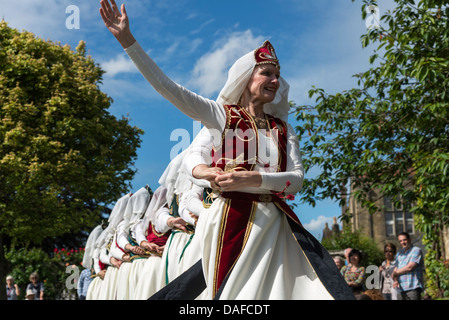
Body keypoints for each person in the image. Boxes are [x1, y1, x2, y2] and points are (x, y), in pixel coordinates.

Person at [99, 0, 354, 300]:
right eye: (267, 73)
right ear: (247, 79)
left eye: (277, 75)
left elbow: (295, 179)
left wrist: (253, 180)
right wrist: (128, 41)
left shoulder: (283, 129)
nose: (275, 80)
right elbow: (169, 89)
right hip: (230, 222)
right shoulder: (224, 116)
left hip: (276, 223)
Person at [393, 232, 424, 300]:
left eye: (404, 240)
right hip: (400, 289)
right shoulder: (399, 254)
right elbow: (395, 269)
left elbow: (410, 267)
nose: (402, 242)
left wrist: (396, 273)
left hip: (412, 288)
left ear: (410, 239)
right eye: (400, 241)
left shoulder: (416, 250)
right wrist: (395, 280)